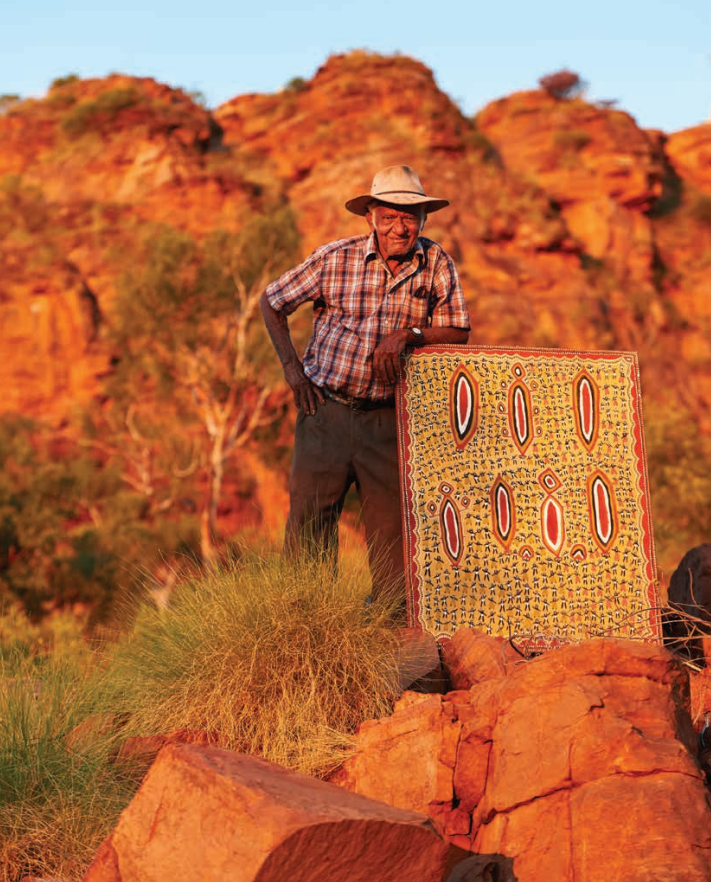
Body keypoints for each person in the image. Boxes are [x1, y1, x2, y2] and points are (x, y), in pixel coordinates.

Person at [260, 165, 471, 606]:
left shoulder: (436, 263)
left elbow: (457, 329)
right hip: (326, 411)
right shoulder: (335, 258)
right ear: (371, 215)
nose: (400, 227)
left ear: (423, 220)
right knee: (309, 527)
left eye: (410, 216)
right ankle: (307, 630)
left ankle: (392, 645)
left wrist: (409, 335)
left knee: (392, 537)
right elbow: (272, 301)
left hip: (388, 420)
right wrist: (292, 371)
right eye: (390, 215)